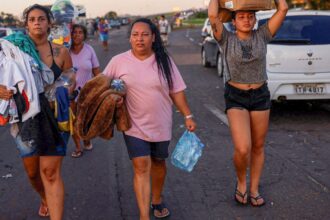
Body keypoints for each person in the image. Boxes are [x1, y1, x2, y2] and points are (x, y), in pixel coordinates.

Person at [103, 18, 196, 219]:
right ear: (130, 38)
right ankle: (144, 216)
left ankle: (156, 199)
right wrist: (113, 99)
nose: (140, 39)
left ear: (153, 37)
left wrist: (188, 115)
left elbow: (177, 91)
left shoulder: (164, 61)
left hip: (161, 124)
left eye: (145, 34)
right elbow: (102, 87)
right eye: (135, 34)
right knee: (141, 165)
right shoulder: (118, 61)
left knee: (158, 162)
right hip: (133, 125)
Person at [208, 0, 288, 206]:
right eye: (241, 17)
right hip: (236, 95)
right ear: (233, 21)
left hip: (260, 94)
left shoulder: (263, 35)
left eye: (250, 17)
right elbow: (213, 15)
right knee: (243, 148)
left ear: (255, 20)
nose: (246, 20)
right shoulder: (226, 39)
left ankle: (254, 188)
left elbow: (283, 8)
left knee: (258, 146)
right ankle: (241, 183)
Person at [0, 4, 72, 219]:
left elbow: (69, 73)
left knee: (50, 173)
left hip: (55, 117)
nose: (37, 23)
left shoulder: (60, 51)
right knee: (33, 173)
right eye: (32, 19)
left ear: (49, 22)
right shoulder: (13, 50)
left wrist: (68, 87)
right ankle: (44, 197)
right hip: (26, 118)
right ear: (26, 24)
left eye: (41, 19)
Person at [69, 24, 100, 158]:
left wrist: (102, 88)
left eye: (80, 32)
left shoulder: (89, 50)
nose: (77, 35)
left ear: (84, 35)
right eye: (74, 32)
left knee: (85, 119)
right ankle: (77, 147)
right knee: (73, 120)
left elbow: (97, 71)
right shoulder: (65, 50)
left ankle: (86, 138)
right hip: (69, 92)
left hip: (87, 92)